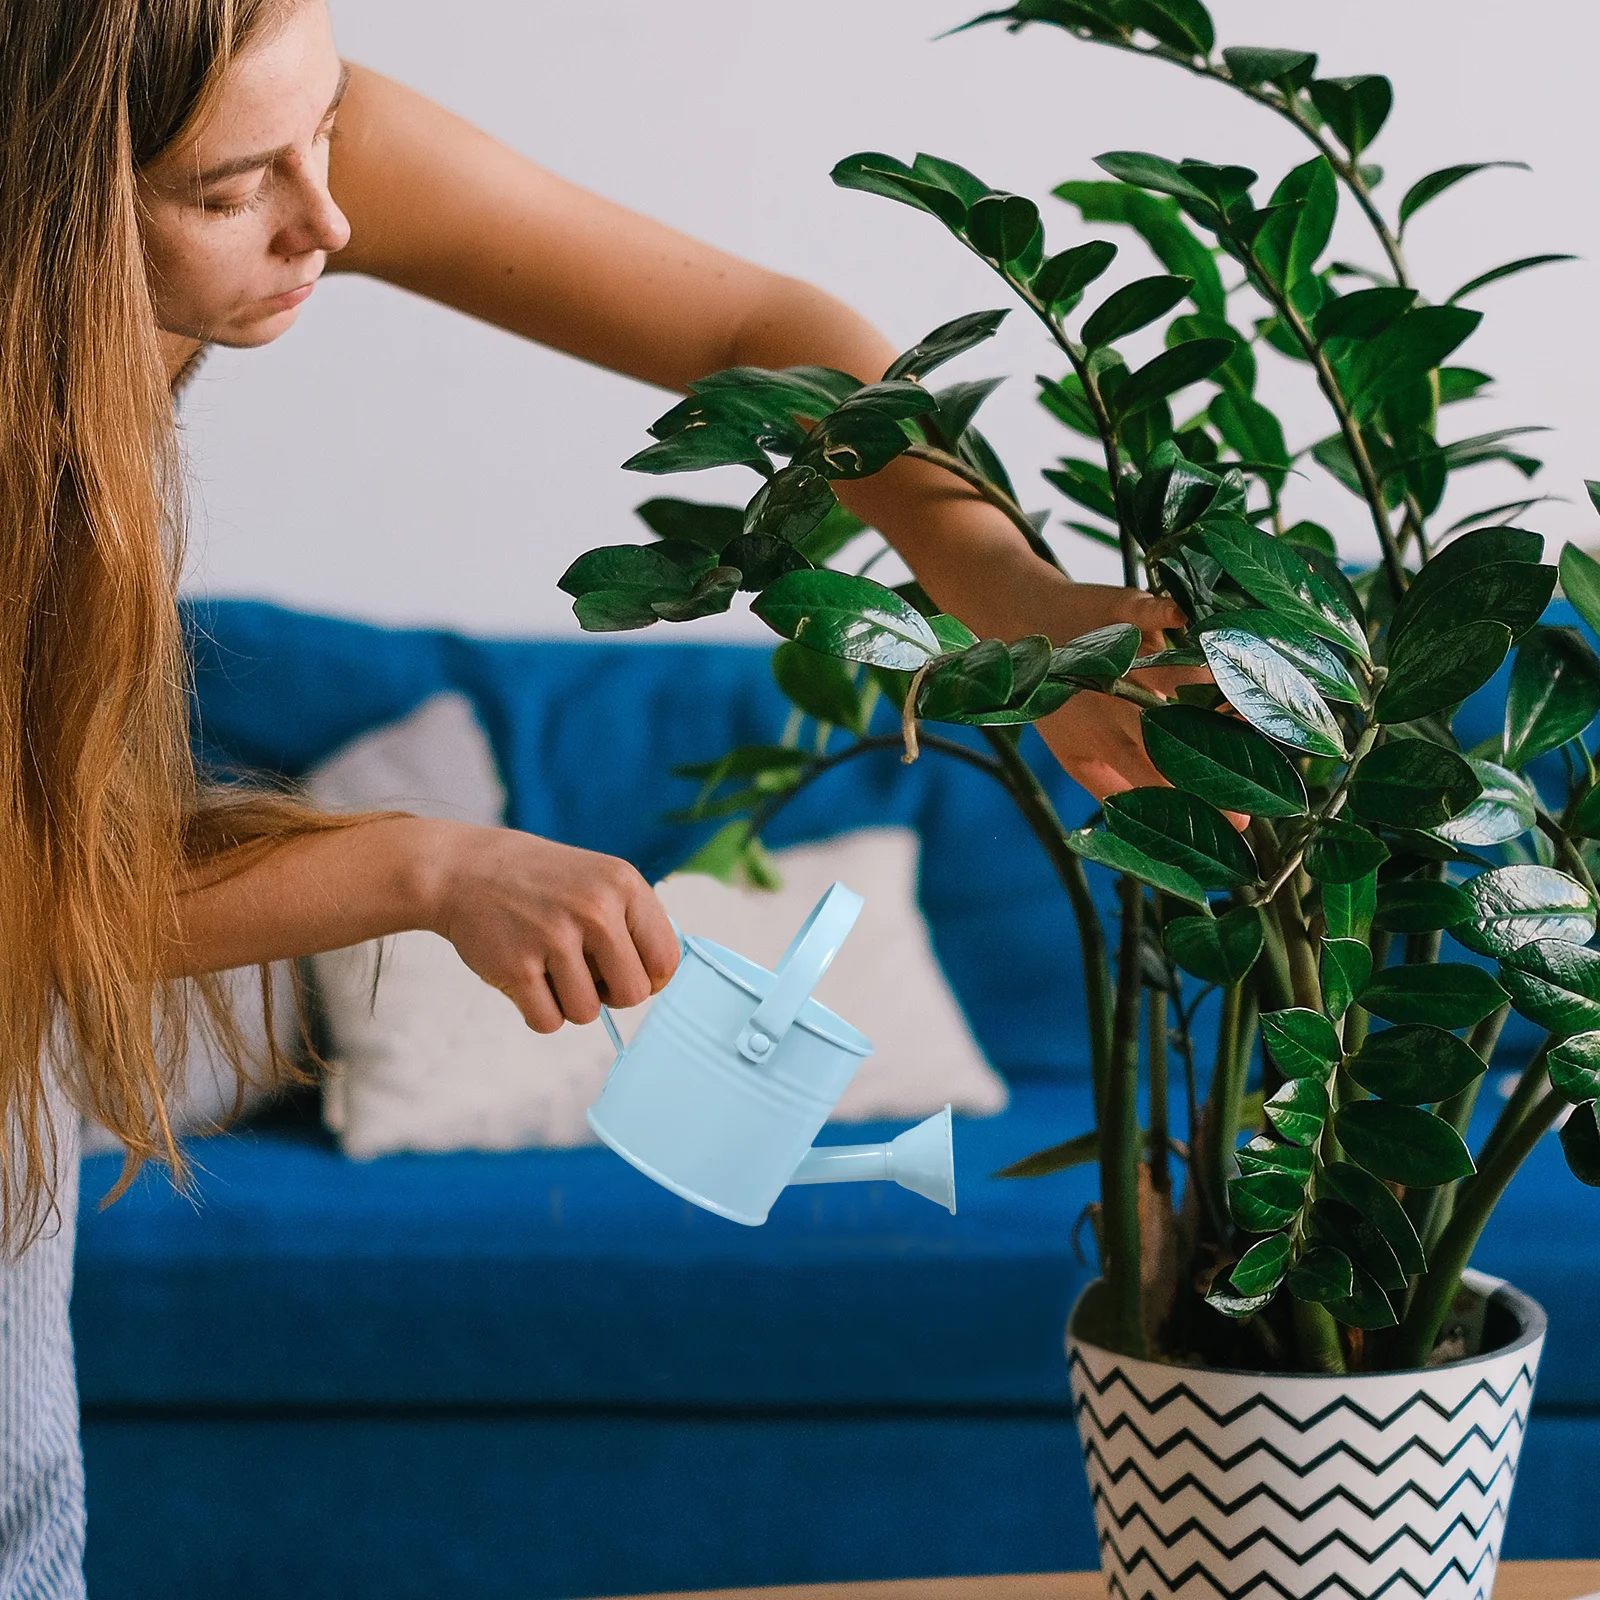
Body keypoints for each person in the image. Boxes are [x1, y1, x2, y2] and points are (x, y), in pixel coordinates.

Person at [0, 0, 1182, 1592]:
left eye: (327, 123)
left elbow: (747, 328)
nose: (328, 223)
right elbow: (35, 902)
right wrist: (423, 870)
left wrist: (999, 580)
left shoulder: (243, 111)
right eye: (227, 194)